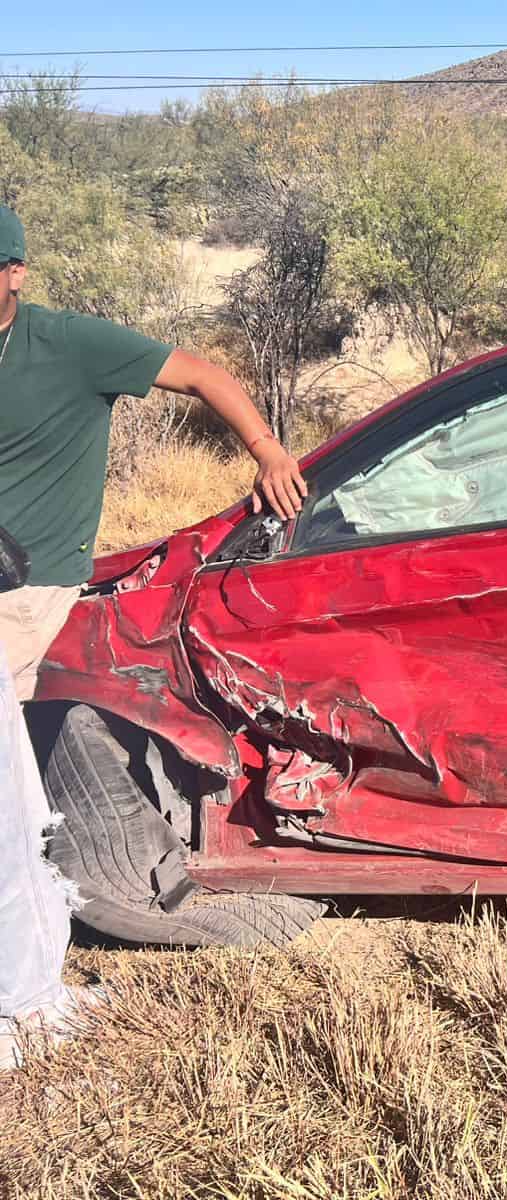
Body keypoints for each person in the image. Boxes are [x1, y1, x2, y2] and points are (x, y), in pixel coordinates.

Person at [0, 202, 307, 1066]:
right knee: (13, 800)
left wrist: (268, 451)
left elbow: (205, 374)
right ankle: (27, 986)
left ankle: (24, 996)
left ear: (16, 273)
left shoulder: (70, 344)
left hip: (26, 590)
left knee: (9, 807)